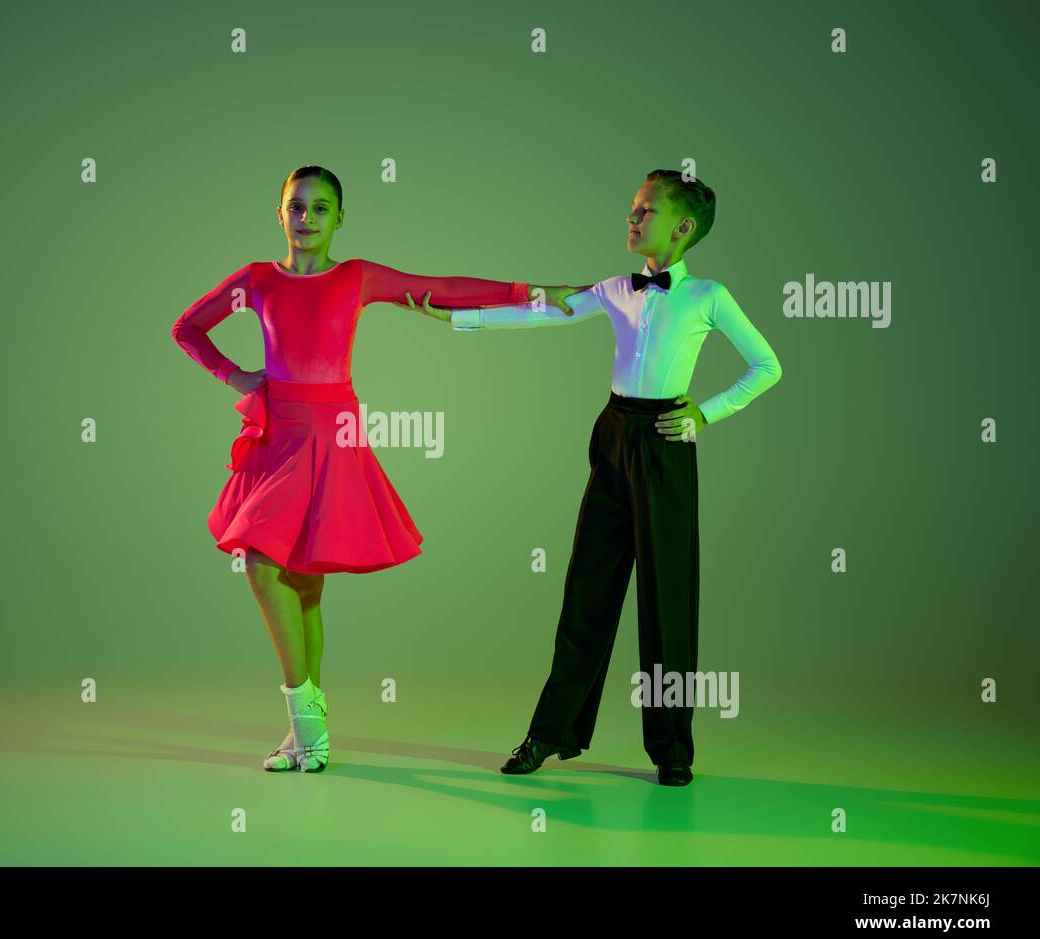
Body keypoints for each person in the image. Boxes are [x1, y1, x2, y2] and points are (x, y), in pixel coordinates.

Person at [171, 165, 583, 773]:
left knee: (303, 580)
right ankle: (307, 723)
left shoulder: (356, 277)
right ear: (279, 213)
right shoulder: (256, 281)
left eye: (320, 208)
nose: (306, 218)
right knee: (267, 566)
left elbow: (441, 285)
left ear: (340, 218)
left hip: (332, 433)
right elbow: (188, 328)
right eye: (296, 207)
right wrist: (235, 375)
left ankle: (305, 731)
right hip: (277, 434)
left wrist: (531, 293)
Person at [398, 169, 783, 786]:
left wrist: (706, 415)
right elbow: (540, 313)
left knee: (668, 600)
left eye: (646, 211)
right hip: (612, 436)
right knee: (586, 590)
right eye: (632, 208)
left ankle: (672, 748)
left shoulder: (707, 295)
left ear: (683, 227)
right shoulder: (614, 288)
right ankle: (548, 733)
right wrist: (460, 319)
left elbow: (767, 365)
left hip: (664, 442)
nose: (631, 218)